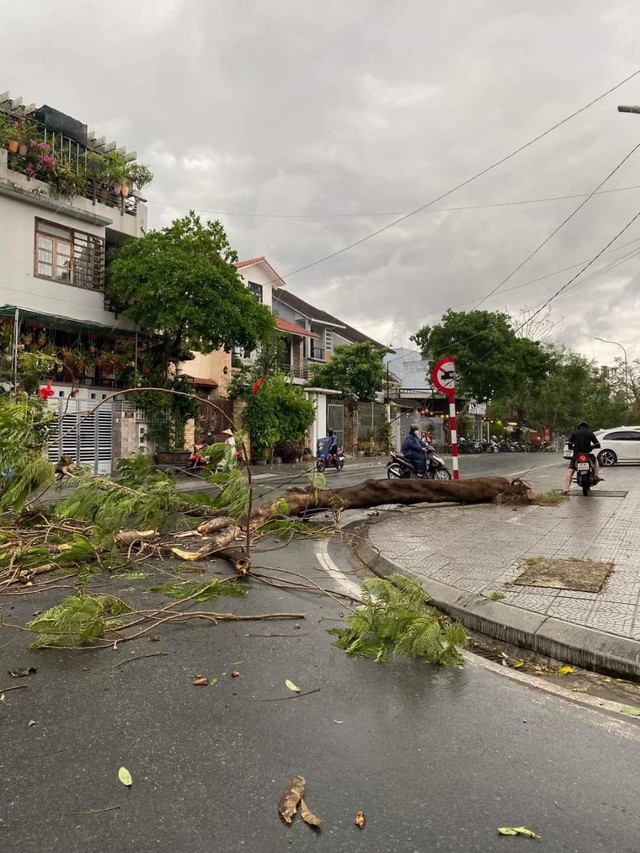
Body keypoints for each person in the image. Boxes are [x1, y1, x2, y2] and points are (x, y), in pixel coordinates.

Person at [564, 421, 602, 494]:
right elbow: (597, 444)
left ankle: (567, 488)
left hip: (577, 454)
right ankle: (597, 475)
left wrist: (571, 447)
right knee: (595, 461)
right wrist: (592, 447)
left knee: (570, 471)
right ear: (587, 427)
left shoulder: (575, 433)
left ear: (579, 427)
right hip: (587, 454)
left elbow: (569, 443)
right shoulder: (590, 433)